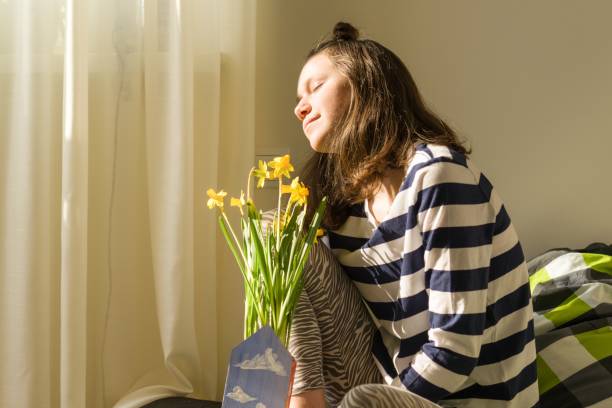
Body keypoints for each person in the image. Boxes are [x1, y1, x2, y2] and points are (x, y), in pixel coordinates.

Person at [287, 22, 540, 408]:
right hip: (391, 383)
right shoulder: (344, 207)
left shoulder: (440, 177)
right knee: (280, 238)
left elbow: (454, 350)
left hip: (471, 398)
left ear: (364, 83)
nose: (299, 107)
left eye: (316, 87)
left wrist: (377, 401)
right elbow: (313, 306)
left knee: (363, 402)